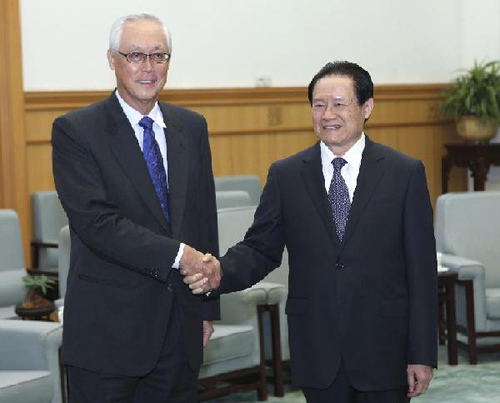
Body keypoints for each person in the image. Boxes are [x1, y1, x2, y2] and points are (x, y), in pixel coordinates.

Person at [185, 61, 437, 402]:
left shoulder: (404, 173)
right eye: (318, 105)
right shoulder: (286, 175)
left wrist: (421, 352)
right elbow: (260, 249)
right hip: (318, 350)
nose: (327, 114)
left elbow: (421, 271)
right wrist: (218, 273)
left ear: (367, 107)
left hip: (385, 349)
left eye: (339, 104)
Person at [52, 13, 221, 402]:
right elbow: (97, 223)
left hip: (179, 330)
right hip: (107, 337)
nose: (148, 68)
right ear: (112, 59)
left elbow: (202, 218)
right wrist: (180, 256)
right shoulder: (76, 130)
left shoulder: (191, 127)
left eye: (159, 56)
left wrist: (206, 307)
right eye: (135, 56)